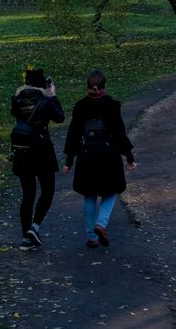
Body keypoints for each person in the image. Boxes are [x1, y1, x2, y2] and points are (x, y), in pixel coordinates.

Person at [63, 70, 136, 249]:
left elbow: (73, 133)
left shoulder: (80, 106)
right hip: (108, 156)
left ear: (87, 86)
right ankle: (101, 224)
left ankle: (91, 237)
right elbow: (119, 133)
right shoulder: (111, 105)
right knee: (111, 191)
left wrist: (69, 161)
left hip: (86, 157)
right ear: (104, 86)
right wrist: (129, 157)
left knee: (89, 195)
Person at [11, 67, 65, 250]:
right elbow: (60, 117)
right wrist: (52, 95)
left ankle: (26, 237)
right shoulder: (45, 101)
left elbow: (15, 114)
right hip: (42, 151)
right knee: (48, 190)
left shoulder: (16, 98)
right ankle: (35, 227)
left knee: (27, 195)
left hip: (22, 150)